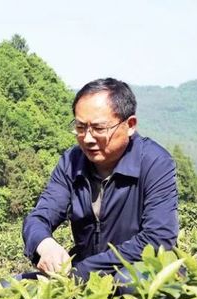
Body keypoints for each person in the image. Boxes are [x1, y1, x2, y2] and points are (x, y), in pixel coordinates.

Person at [22, 78, 178, 284]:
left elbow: (158, 238)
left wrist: (82, 271)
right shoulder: (71, 162)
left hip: (132, 272)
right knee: (7, 288)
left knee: (132, 283)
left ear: (130, 125)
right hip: (80, 276)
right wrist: (45, 245)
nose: (87, 138)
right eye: (80, 127)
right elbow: (38, 218)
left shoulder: (154, 162)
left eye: (98, 128)